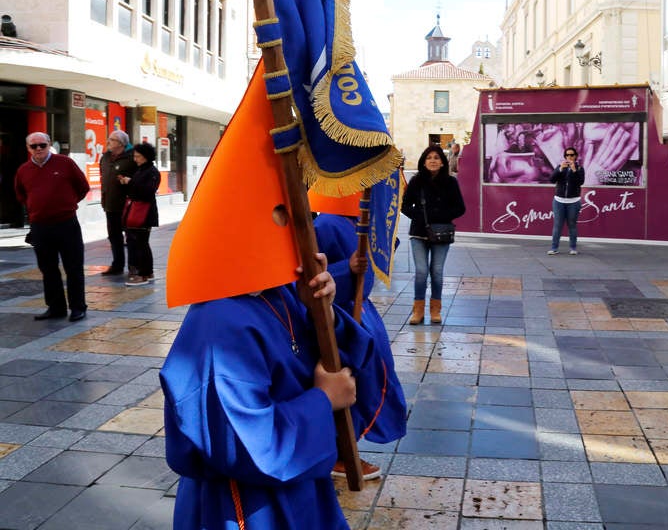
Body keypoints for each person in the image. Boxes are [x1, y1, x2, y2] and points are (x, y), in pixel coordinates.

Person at [160, 253, 386, 530]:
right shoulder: (217, 321)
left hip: (303, 482)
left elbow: (356, 365)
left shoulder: (282, 291)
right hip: (248, 505)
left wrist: (322, 314)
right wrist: (323, 400)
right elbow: (244, 444)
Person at [313, 210, 407, 481]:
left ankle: (348, 445)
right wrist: (346, 268)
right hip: (340, 312)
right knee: (349, 379)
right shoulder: (326, 223)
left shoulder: (361, 220)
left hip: (361, 312)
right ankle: (340, 451)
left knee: (369, 377)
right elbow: (309, 273)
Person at [14, 132, 90, 321]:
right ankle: (56, 308)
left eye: (42, 145)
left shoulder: (65, 163)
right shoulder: (23, 170)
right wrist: (36, 209)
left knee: (73, 267)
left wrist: (68, 204)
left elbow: (82, 187)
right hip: (40, 227)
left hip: (67, 224)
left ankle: (78, 307)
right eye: (34, 146)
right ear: (28, 148)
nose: (38, 149)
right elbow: (21, 194)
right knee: (48, 269)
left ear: (49, 144)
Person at [401, 145, 466, 324]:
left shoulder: (451, 182)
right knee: (421, 271)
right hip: (419, 233)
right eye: (429, 158)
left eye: (436, 158)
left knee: (436, 272)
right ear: (424, 161)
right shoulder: (416, 181)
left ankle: (435, 310)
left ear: (443, 162)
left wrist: (440, 217)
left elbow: (460, 208)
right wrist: (419, 216)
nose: (432, 161)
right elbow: (404, 205)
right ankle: (418, 311)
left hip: (440, 233)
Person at [118, 142, 159, 286]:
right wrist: (127, 182)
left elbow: (148, 191)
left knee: (141, 244)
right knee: (140, 243)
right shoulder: (141, 170)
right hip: (137, 210)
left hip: (144, 212)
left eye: (138, 156)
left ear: (146, 157)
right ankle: (148, 272)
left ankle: (143, 275)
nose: (135, 159)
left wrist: (131, 182)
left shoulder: (152, 172)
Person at [99, 130, 137, 276]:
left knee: (131, 237)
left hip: (128, 205)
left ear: (121, 143)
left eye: (112, 140)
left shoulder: (132, 157)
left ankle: (134, 266)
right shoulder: (106, 157)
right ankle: (117, 265)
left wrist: (129, 182)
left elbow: (141, 177)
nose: (108, 142)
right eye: (109, 139)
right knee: (114, 236)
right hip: (110, 204)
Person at [547, 146, 585, 255]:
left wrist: (574, 171)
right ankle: (554, 248)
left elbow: (580, 182)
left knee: (572, 225)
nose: (569, 157)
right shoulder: (560, 167)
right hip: (559, 201)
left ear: (575, 156)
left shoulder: (579, 169)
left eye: (572, 155)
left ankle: (573, 248)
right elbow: (552, 179)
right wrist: (559, 170)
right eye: (567, 155)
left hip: (573, 201)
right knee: (558, 225)